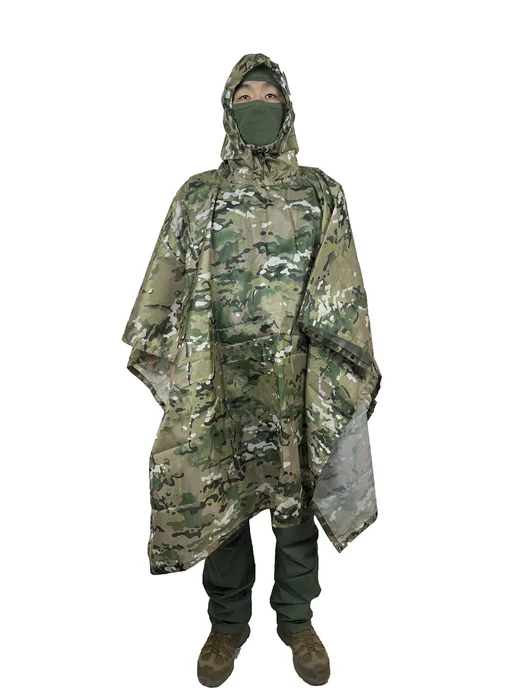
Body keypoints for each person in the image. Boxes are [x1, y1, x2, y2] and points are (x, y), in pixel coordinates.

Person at [122, 52, 381, 688]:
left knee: (296, 499)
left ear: (286, 108)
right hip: (220, 379)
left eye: (268, 96)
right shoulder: (198, 196)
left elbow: (341, 285)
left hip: (295, 378)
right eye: (244, 98)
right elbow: (166, 285)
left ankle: (297, 621)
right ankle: (227, 625)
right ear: (227, 110)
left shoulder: (321, 192)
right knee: (223, 496)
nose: (256, 106)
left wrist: (335, 372)